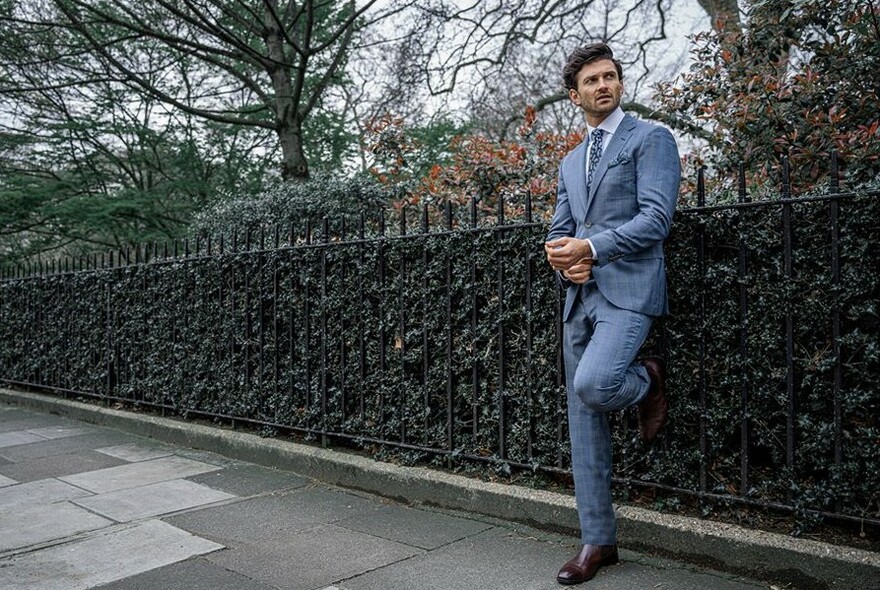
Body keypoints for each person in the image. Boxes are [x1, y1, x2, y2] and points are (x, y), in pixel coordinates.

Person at [544, 42, 680, 585]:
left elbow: (656, 219)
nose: (604, 85)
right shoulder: (570, 160)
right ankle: (597, 542)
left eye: (611, 77)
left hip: (628, 289)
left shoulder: (651, 138)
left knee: (597, 386)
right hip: (580, 298)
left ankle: (648, 380)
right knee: (584, 423)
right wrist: (564, 262)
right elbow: (558, 232)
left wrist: (593, 249)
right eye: (593, 80)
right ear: (575, 95)